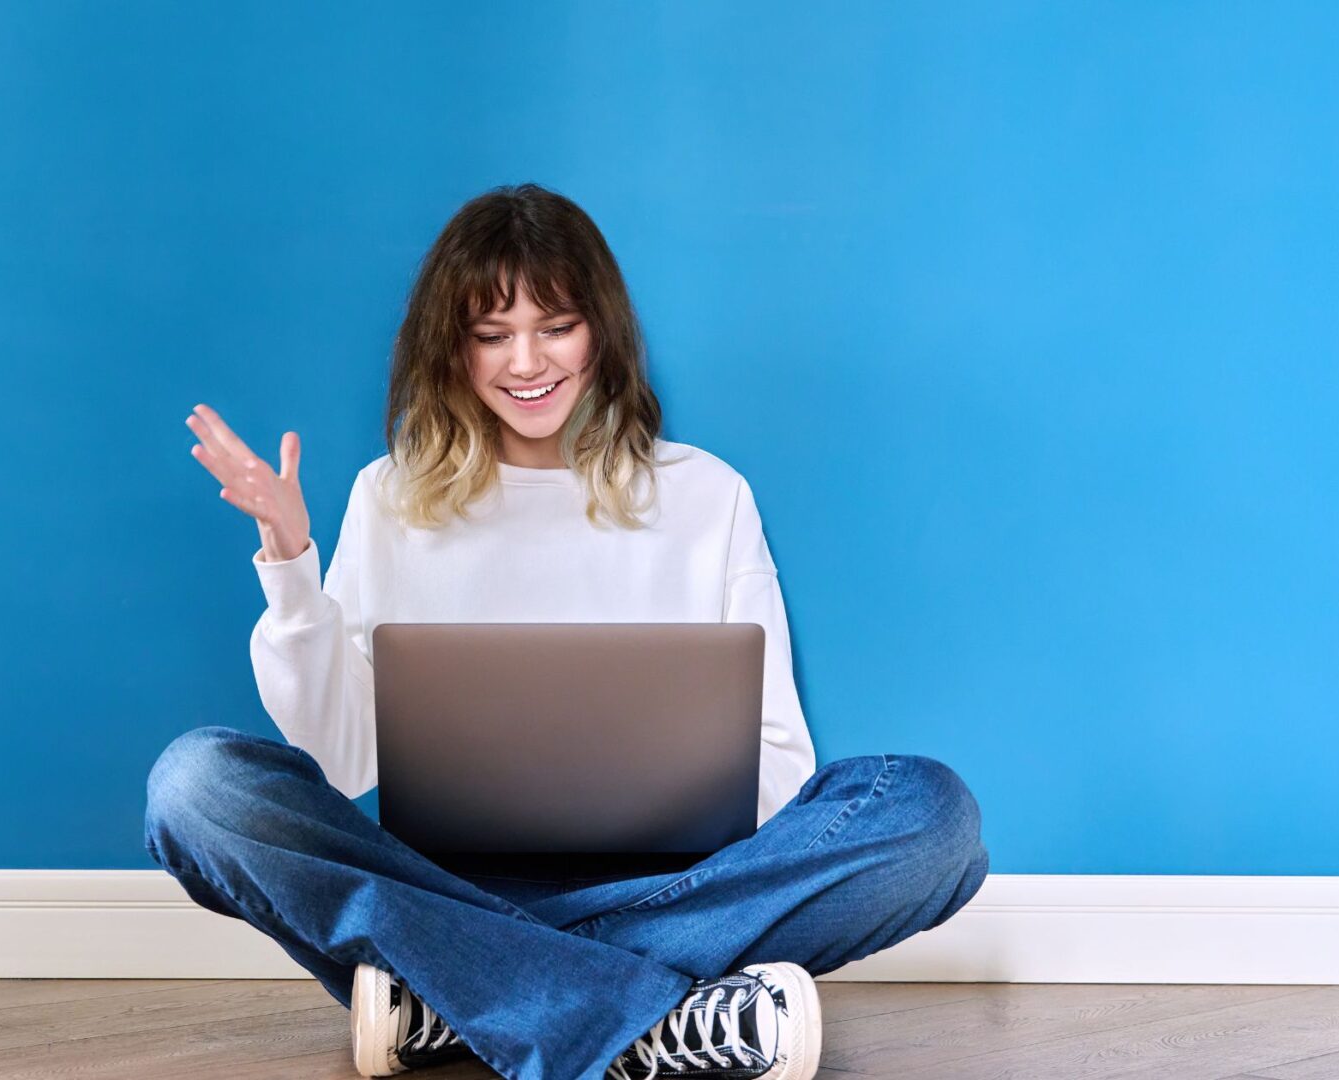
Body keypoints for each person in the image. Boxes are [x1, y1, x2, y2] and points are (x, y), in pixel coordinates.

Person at [145, 183, 989, 1080]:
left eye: (555, 326)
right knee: (195, 786)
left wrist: (671, 781)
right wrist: (290, 562)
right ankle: (660, 1013)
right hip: (451, 884)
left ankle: (456, 993)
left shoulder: (707, 495)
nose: (526, 362)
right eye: (491, 334)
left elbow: (780, 766)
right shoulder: (388, 496)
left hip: (680, 885)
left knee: (932, 815)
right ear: (451, 347)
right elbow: (339, 760)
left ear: (601, 332)